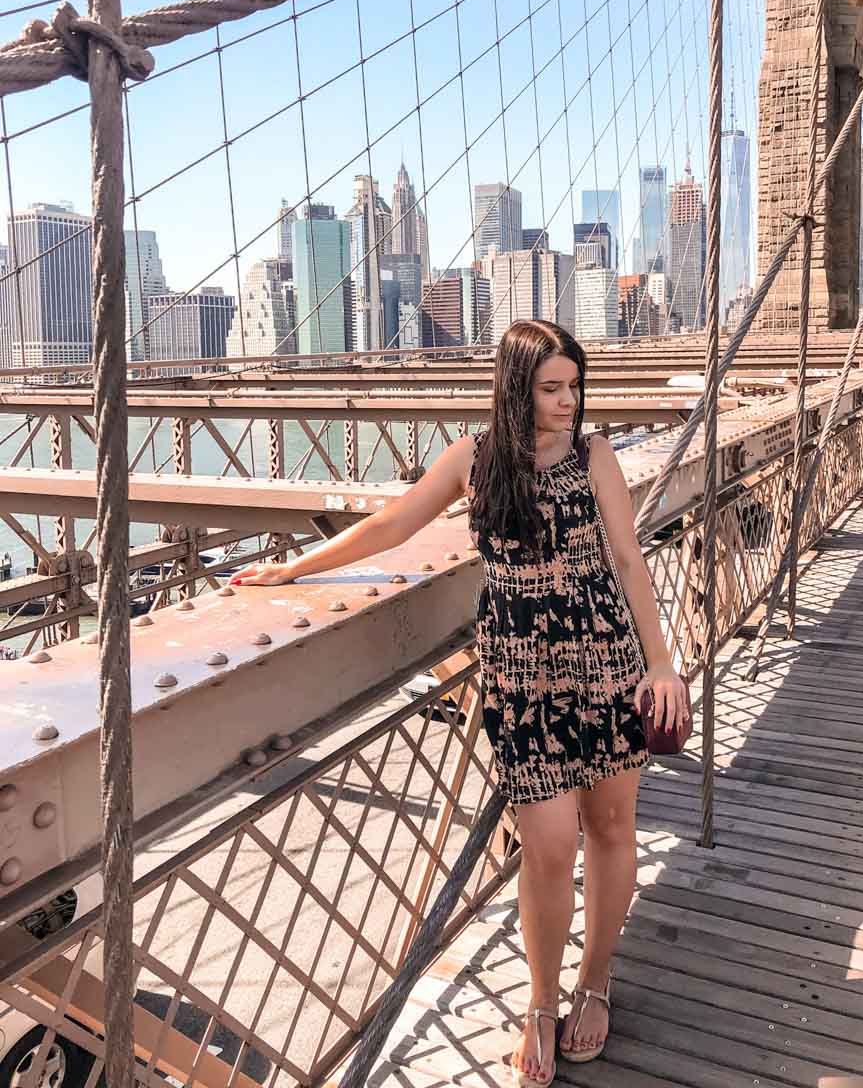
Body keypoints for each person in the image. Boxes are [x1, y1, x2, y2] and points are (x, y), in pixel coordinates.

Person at [230, 320, 687, 1087]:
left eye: (575, 386)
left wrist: (662, 664)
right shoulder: (475, 462)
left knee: (611, 829)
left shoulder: (594, 456)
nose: (569, 402)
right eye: (552, 389)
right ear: (516, 388)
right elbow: (390, 525)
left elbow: (628, 559)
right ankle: (541, 1003)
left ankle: (594, 984)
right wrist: (292, 569)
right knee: (547, 847)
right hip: (520, 674)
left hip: (607, 662)